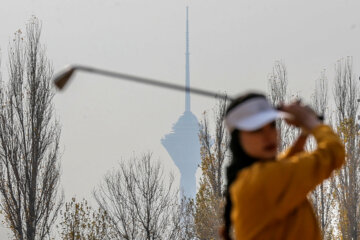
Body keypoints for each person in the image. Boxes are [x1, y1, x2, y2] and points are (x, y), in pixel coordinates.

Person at [221, 92, 345, 240]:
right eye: (256, 129)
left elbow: (285, 164)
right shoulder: (266, 179)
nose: (268, 136)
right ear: (237, 139)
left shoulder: (254, 177)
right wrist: (312, 122)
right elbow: (333, 154)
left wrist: (304, 133)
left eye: (272, 125)